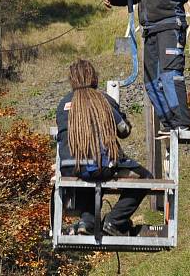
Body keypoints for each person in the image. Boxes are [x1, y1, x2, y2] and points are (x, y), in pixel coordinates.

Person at [103, 0, 190, 135]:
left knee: (170, 75)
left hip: (170, 25)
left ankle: (181, 123)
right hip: (151, 29)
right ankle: (169, 124)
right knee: (151, 82)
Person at [55, 59, 152, 236]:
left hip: (69, 166)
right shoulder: (102, 99)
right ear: (94, 77)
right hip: (98, 165)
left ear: (72, 79)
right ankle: (114, 221)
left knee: (86, 177)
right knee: (145, 178)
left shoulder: (63, 104)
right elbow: (124, 130)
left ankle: (88, 222)